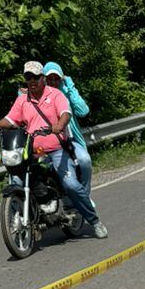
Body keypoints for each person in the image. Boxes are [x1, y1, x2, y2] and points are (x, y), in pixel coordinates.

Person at [0, 61, 107, 238]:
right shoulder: (22, 100)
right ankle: (30, 219)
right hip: (32, 151)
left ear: (42, 78)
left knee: (71, 185)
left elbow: (66, 113)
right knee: (17, 181)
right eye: (28, 77)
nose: (32, 81)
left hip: (56, 149)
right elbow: (10, 120)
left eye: (35, 77)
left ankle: (94, 221)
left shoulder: (55, 95)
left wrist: (59, 124)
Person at [43, 61, 93, 196]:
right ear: (44, 79)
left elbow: (83, 111)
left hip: (69, 141)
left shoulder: (66, 93)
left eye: (56, 79)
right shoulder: (39, 96)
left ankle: (85, 195)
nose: (53, 82)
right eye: (49, 79)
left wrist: (70, 86)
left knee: (84, 161)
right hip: (45, 143)